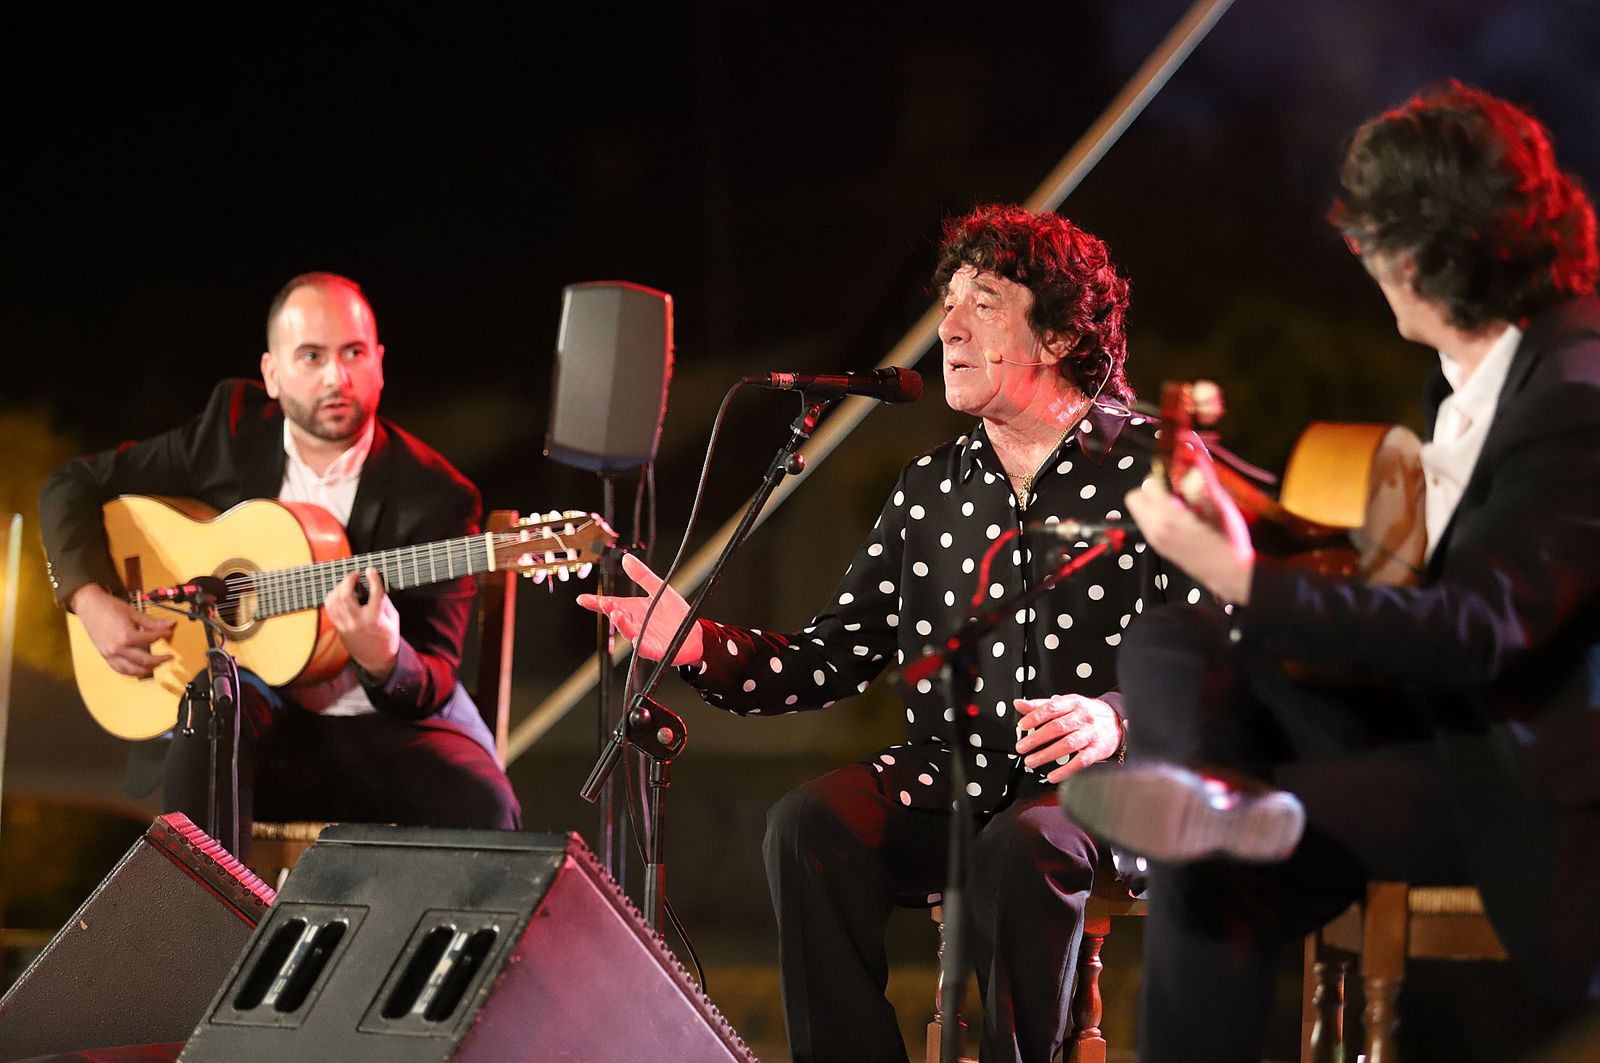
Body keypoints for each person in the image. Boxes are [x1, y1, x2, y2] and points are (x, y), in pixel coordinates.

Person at [1060, 82, 1600, 1060]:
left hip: (1510, 771)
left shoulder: (1573, 392)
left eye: (1373, 235)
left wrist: (1238, 574)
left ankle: (1200, 814)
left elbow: (1475, 629)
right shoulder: (1490, 369)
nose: (1356, 254)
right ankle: (1200, 796)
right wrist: (1245, 538)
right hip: (1426, 718)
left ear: (1438, 252)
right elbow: (1402, 585)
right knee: (1176, 639)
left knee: (1212, 872)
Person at [581, 204, 1196, 1063]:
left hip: (1113, 786)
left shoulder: (1155, 467)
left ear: (1056, 336)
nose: (946, 327)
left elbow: (1223, 654)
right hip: (957, 774)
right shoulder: (931, 488)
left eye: (982, 302)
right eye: (946, 302)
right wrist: (696, 643)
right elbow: (831, 655)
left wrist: (1118, 715)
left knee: (1026, 844)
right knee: (809, 823)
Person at [40, 271, 521, 850]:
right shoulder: (231, 430)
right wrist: (92, 599)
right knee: (215, 707)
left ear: (380, 363)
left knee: (485, 808)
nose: (335, 377)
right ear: (272, 373)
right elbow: (71, 485)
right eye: (311, 357)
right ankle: (206, 936)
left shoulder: (436, 495)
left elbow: (435, 676)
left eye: (353, 354)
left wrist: (385, 657)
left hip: (373, 737)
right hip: (255, 745)